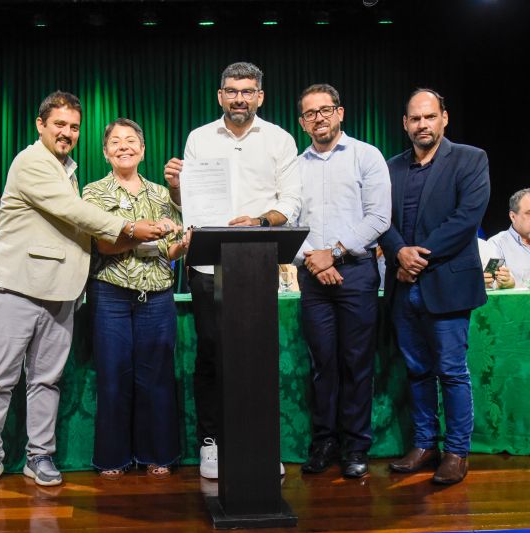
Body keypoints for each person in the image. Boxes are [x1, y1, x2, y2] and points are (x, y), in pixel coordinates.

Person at [0, 91, 170, 493]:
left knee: (46, 380)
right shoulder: (31, 162)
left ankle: (39, 455)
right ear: (40, 125)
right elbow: (74, 211)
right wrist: (130, 228)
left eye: (74, 127)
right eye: (59, 124)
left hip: (60, 294)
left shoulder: (68, 168)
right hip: (15, 288)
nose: (67, 133)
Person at [163, 61, 300, 479]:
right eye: (231, 90)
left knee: (257, 356)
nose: (239, 98)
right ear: (219, 95)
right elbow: (191, 208)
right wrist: (174, 188)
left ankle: (259, 443)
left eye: (247, 91)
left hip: (257, 264)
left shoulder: (279, 139)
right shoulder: (199, 139)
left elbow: (291, 202)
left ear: (260, 96)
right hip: (206, 264)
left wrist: (259, 222)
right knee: (210, 355)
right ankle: (212, 442)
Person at [380, 88, 490, 485]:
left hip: (445, 284)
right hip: (402, 287)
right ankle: (425, 445)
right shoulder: (391, 167)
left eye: (429, 117)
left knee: (451, 371)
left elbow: (466, 220)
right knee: (416, 370)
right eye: (415, 118)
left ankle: (457, 453)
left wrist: (414, 257)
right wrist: (398, 252)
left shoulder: (471, 159)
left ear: (444, 117)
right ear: (405, 123)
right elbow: (380, 218)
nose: (422, 124)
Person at [294, 84, 391, 478]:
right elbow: (288, 221)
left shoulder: (367, 156)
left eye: (326, 109)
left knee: (356, 364)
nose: (319, 117)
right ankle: (324, 444)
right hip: (312, 277)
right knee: (323, 366)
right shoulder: (294, 166)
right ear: (302, 123)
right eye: (311, 113)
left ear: (341, 112)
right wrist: (315, 262)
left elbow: (379, 218)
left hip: (355, 272)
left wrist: (332, 252)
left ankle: (355, 447)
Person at [83, 118, 185, 481]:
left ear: (143, 150)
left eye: (131, 141)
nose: (123, 146)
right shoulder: (92, 193)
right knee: (113, 376)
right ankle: (113, 457)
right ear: (106, 151)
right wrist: (141, 232)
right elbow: (102, 244)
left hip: (157, 294)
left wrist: (181, 246)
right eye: (115, 141)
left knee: (156, 377)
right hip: (110, 293)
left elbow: (170, 250)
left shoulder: (161, 194)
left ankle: (158, 453)